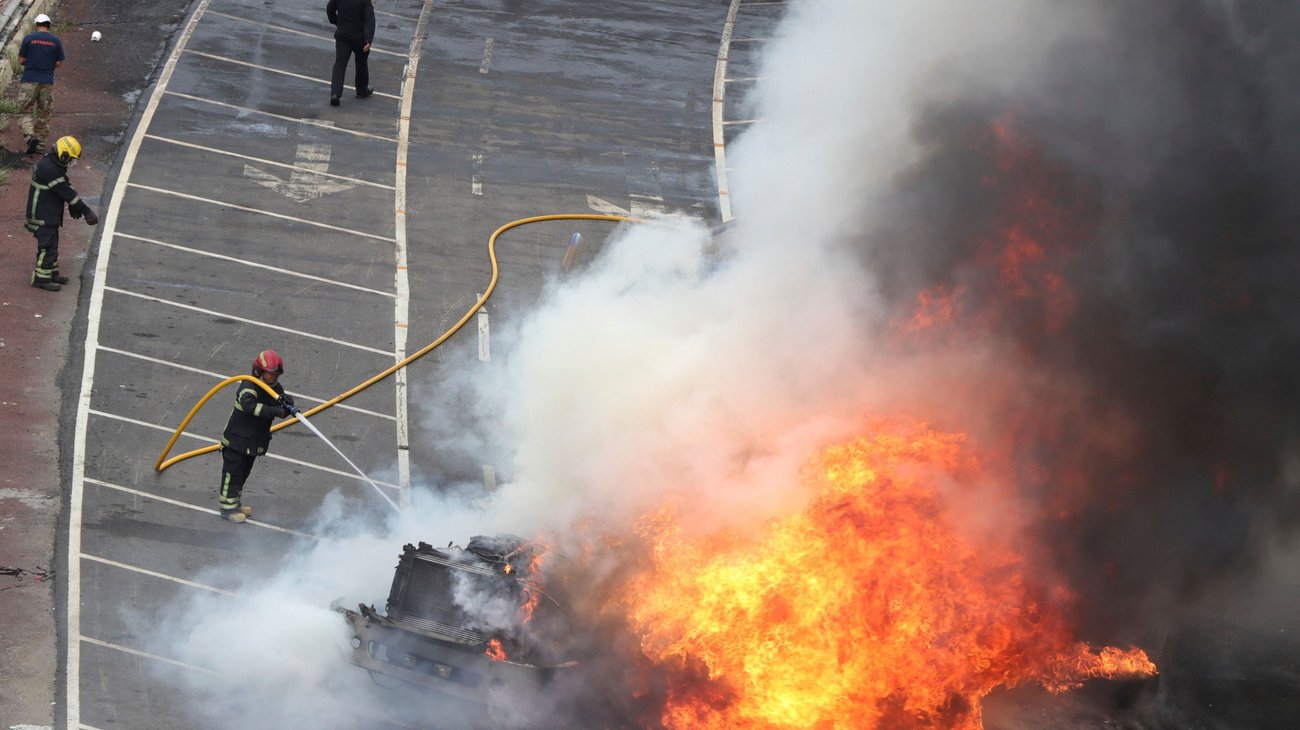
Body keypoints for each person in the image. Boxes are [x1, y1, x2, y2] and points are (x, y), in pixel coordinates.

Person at [218, 350, 296, 523]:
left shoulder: (275, 387)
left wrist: (286, 402)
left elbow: (277, 400)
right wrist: (276, 411)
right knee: (233, 474)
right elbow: (251, 407)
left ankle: (235, 504)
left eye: (275, 375)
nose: (272, 378)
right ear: (258, 371)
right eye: (269, 374)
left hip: (253, 442)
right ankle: (226, 508)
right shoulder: (249, 386)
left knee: (243, 474)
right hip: (236, 442)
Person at [25, 136, 97, 292]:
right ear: (63, 155)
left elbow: (64, 185)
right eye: (70, 159)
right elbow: (65, 191)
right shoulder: (49, 169)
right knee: (47, 247)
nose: (70, 163)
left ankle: (51, 272)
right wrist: (86, 211)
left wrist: (73, 206)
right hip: (42, 216)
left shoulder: (50, 162)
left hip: (47, 213)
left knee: (53, 244)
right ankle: (40, 278)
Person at [17, 14, 66, 156]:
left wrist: (31, 64)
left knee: (25, 111)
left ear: (36, 25)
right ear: (49, 25)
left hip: (29, 80)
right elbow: (58, 63)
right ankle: (39, 145)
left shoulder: (29, 39)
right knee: (44, 113)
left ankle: (30, 135)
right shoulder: (56, 41)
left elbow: (20, 60)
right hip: (47, 81)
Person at [326, 0, 375, 107]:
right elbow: (369, 21)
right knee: (361, 63)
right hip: (359, 37)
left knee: (340, 64)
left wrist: (337, 22)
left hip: (343, 35)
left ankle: (335, 93)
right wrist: (368, 40)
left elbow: (330, 9)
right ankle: (361, 90)